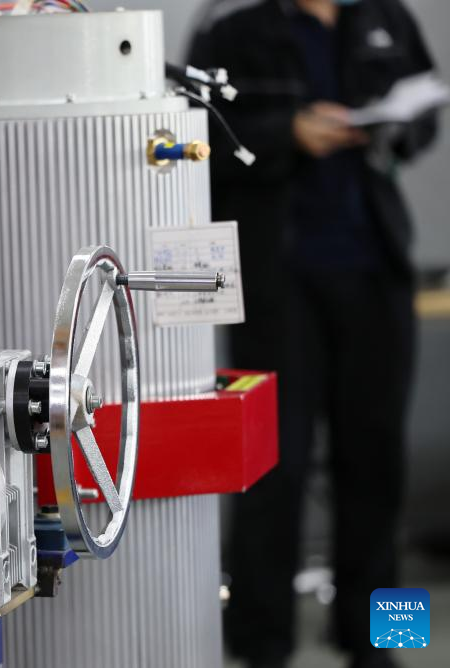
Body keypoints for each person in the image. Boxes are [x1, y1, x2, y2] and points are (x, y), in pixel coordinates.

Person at [187, 0, 439, 666]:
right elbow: (195, 139)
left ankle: (385, 640)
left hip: (377, 272)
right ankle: (260, 645)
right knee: (274, 469)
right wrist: (288, 133)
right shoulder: (233, 29)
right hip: (278, 286)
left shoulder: (387, 17)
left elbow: (425, 113)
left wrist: (394, 130)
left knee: (379, 468)